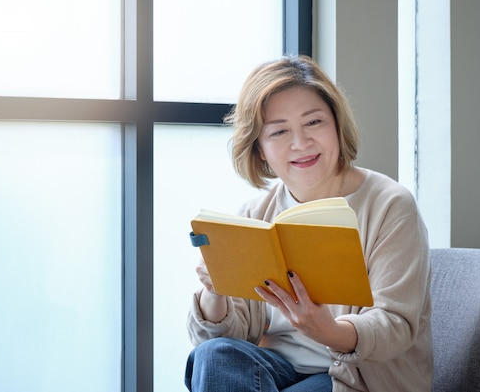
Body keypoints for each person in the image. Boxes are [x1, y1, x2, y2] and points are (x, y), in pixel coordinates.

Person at [184, 55, 432, 391]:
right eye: (279, 131)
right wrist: (215, 291)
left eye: (314, 123)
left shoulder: (390, 205)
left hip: (353, 377)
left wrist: (327, 330)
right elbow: (220, 343)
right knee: (214, 356)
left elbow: (395, 326)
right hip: (276, 370)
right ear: (259, 149)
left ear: (336, 125)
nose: (300, 143)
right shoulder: (255, 214)